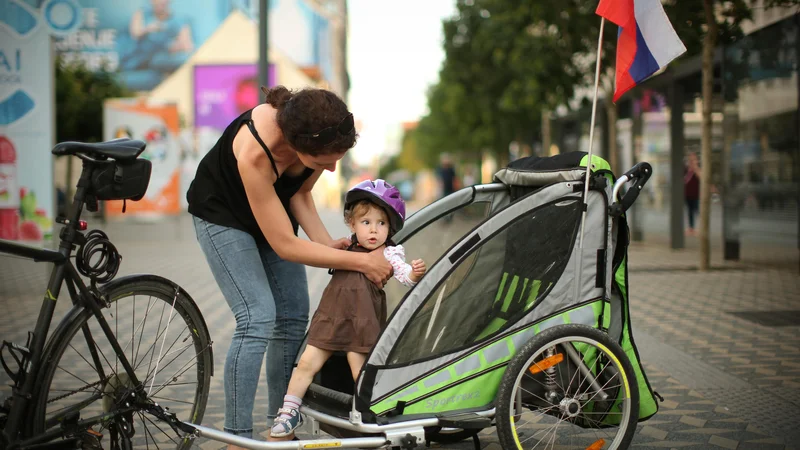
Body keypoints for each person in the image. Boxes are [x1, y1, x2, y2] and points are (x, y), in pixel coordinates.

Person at [186, 86, 393, 443]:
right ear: (296, 143)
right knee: (257, 316)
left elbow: (298, 192)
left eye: (337, 159)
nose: (330, 169)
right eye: (323, 161)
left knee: (295, 314)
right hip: (221, 215)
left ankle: (280, 424)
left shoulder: (318, 140)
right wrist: (361, 263)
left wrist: (325, 243)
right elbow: (284, 245)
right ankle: (236, 435)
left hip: (270, 215)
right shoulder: (255, 152)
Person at [269, 180, 427, 438]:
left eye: (381, 223)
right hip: (332, 315)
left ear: (390, 228)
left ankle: (370, 415)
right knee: (307, 363)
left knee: (360, 371)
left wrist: (414, 272)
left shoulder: (389, 253)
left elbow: (404, 275)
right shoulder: (343, 248)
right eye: (366, 223)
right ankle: (289, 410)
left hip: (361, 321)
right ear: (352, 225)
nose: (373, 230)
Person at [684, 152, 700, 236]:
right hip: (687, 194)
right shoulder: (686, 170)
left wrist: (695, 168)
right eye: (690, 160)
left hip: (696, 195)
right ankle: (691, 228)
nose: (692, 161)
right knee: (690, 212)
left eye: (693, 159)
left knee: (697, 211)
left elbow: (701, 177)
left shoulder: (697, 169)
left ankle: (699, 228)